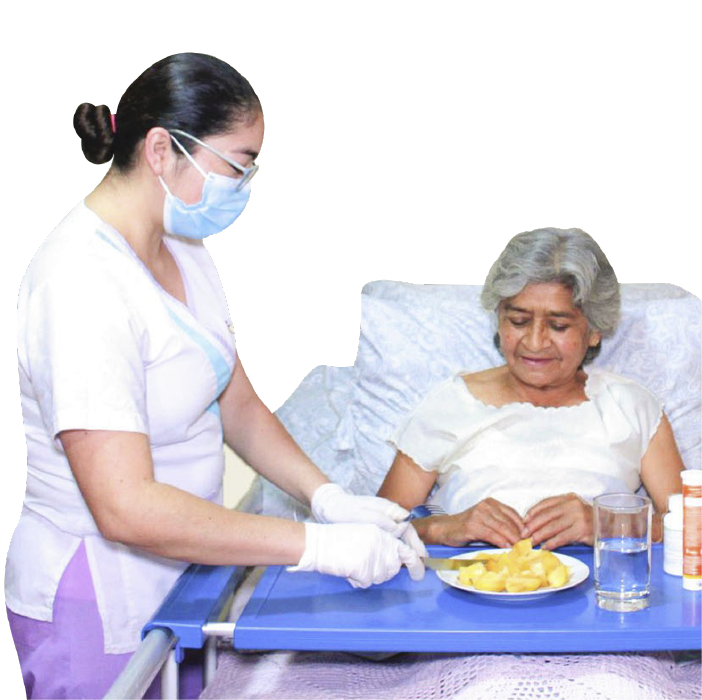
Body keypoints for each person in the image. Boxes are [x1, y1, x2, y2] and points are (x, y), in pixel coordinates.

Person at [5, 52, 425, 699]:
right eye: (237, 164)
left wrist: (328, 497)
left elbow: (237, 402)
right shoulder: (81, 285)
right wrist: (316, 546)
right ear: (160, 150)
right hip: (100, 590)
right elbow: (124, 506)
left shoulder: (180, 247)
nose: (245, 186)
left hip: (185, 568)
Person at [378, 227, 684, 550]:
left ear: (595, 330)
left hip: (601, 593)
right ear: (498, 319)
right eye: (519, 321)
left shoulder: (630, 407)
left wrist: (605, 523)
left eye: (558, 326)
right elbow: (377, 528)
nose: (535, 343)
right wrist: (445, 527)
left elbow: (691, 525)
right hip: (468, 589)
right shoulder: (452, 404)